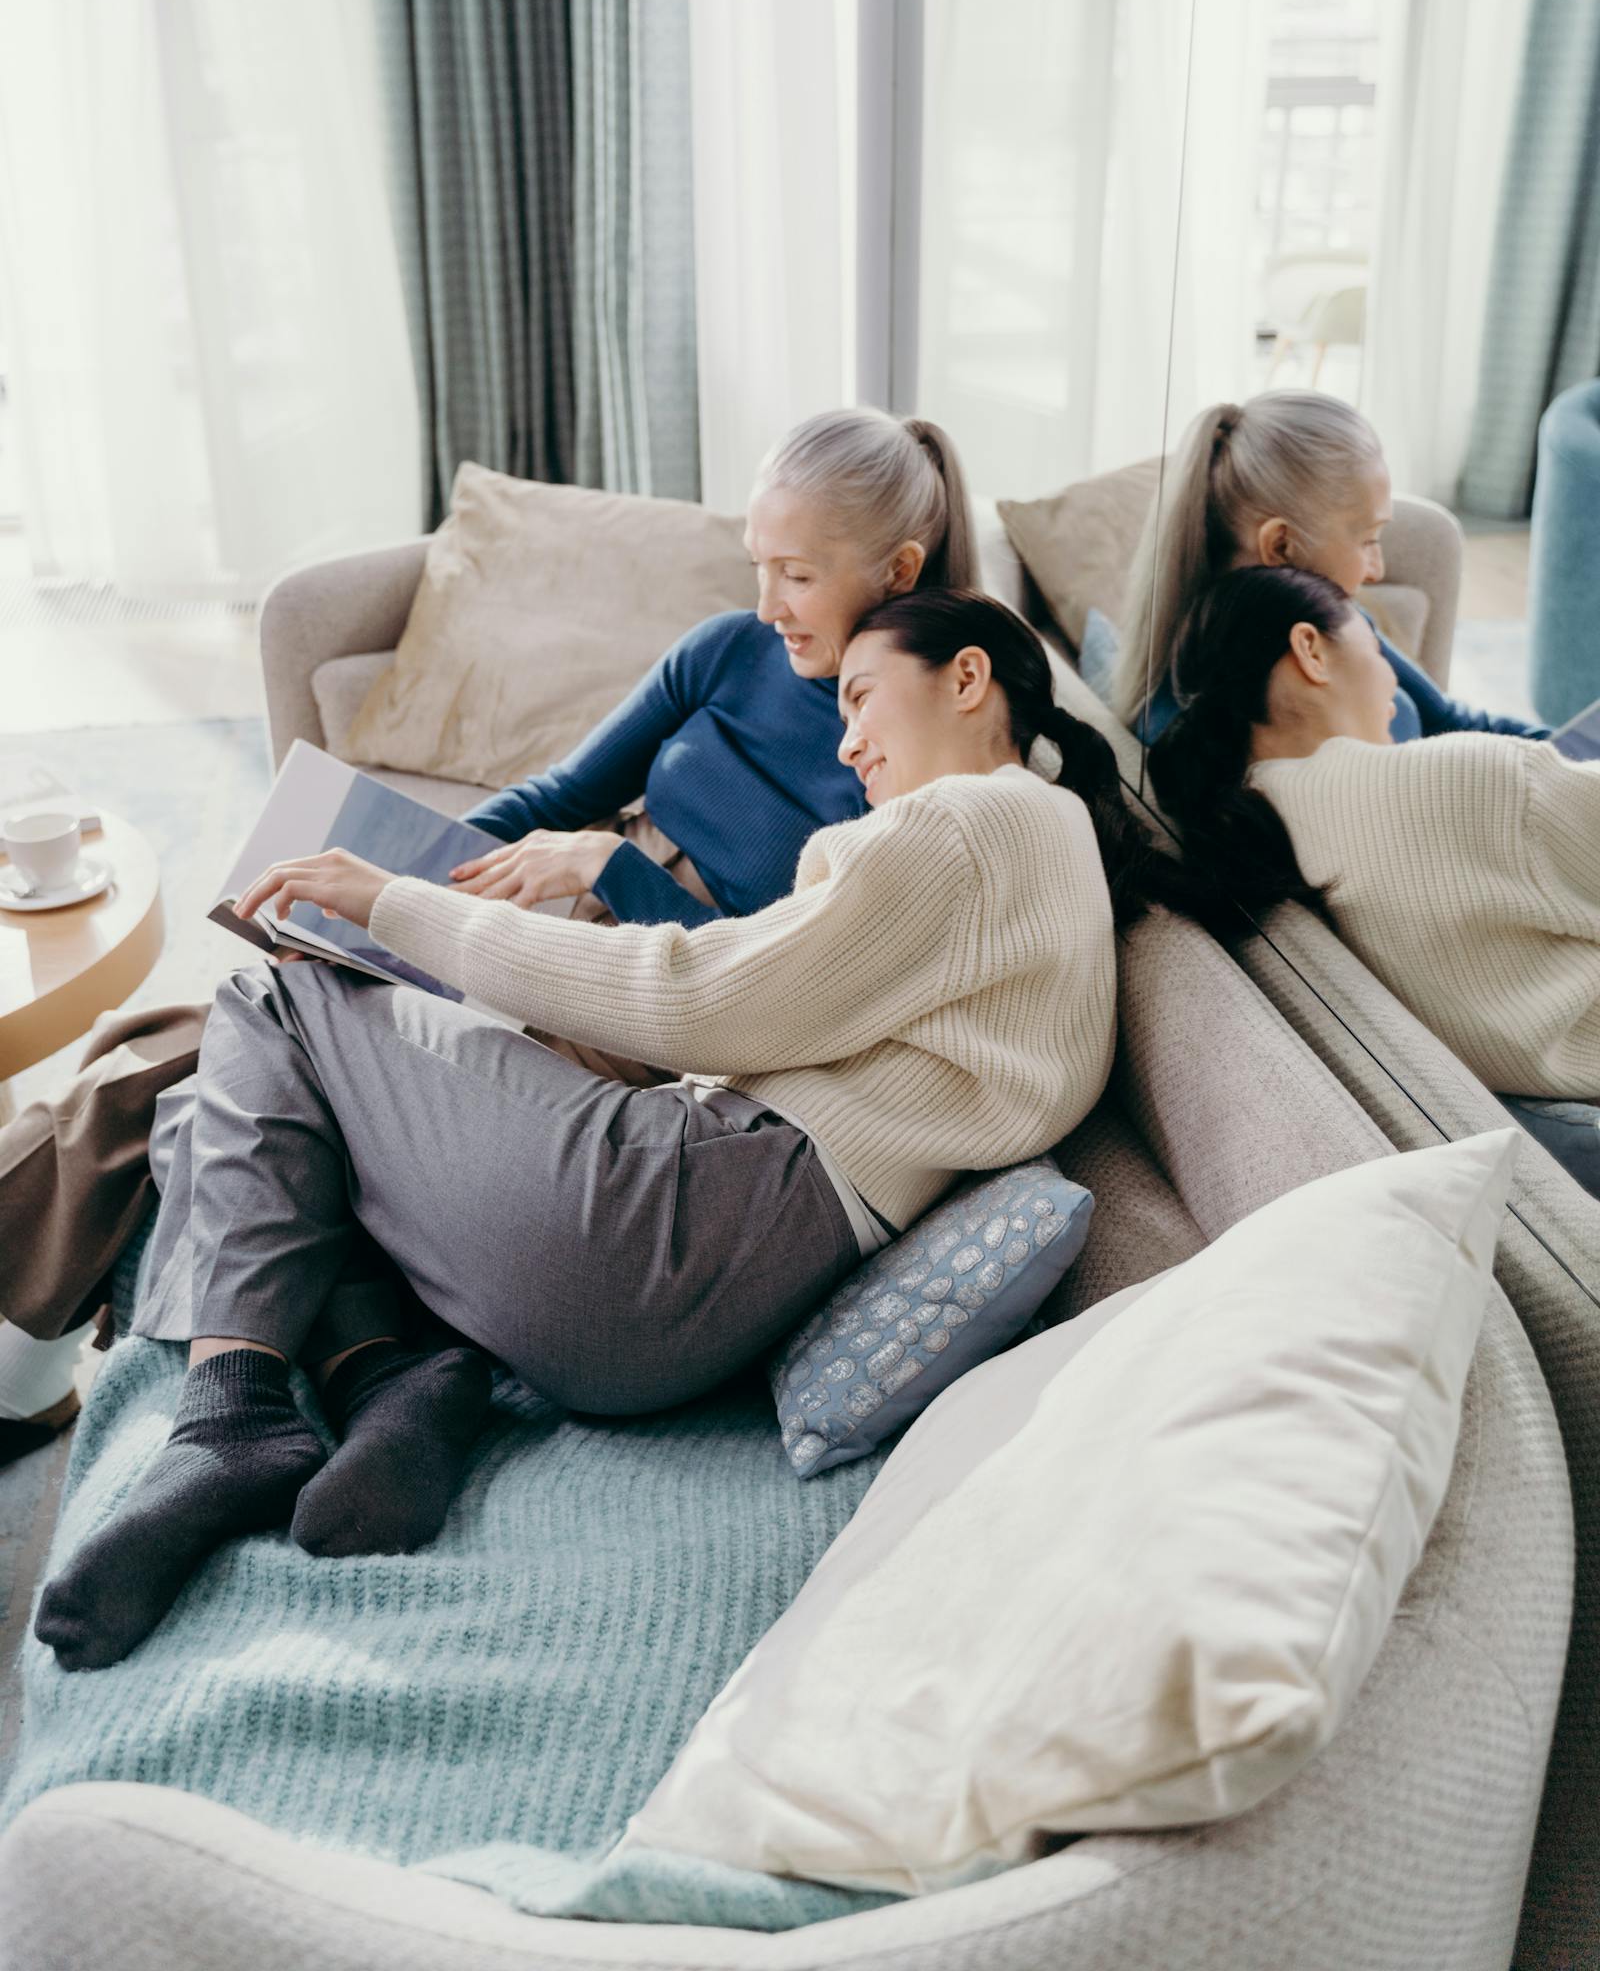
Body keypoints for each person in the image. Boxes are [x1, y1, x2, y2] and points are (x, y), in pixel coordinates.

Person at [34, 590, 1189, 1672]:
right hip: (689, 1310)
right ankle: (393, 1380)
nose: (844, 746)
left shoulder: (970, 824)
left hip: (675, 1219)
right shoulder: (1042, 853)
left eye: (858, 698)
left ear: (968, 677)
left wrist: (392, 901)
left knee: (270, 997)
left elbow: (697, 996)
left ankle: (233, 1414)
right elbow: (747, 1022)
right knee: (257, 1100)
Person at [0, 408, 979, 1455]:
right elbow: (563, 790)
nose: (764, 604)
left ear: (896, 570)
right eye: (756, 565)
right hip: (553, 939)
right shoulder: (726, 652)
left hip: (651, 1018)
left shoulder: (906, 761)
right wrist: (396, 872)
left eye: (794, 575)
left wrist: (617, 871)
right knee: (190, 1043)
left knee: (190, 1073)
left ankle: (45, 1372)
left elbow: (752, 990)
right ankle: (152, 1376)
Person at [1147, 564, 1600, 1198]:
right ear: (1311, 649)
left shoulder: (1251, 831)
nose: (1392, 675)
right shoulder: (1463, 783)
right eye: (1376, 639)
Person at [1113, 390, 1548, 745]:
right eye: (1367, 540)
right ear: (1281, 546)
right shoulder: (1218, 736)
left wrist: (1566, 756)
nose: (1377, 569)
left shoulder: (1334, 621)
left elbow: (1451, 720)